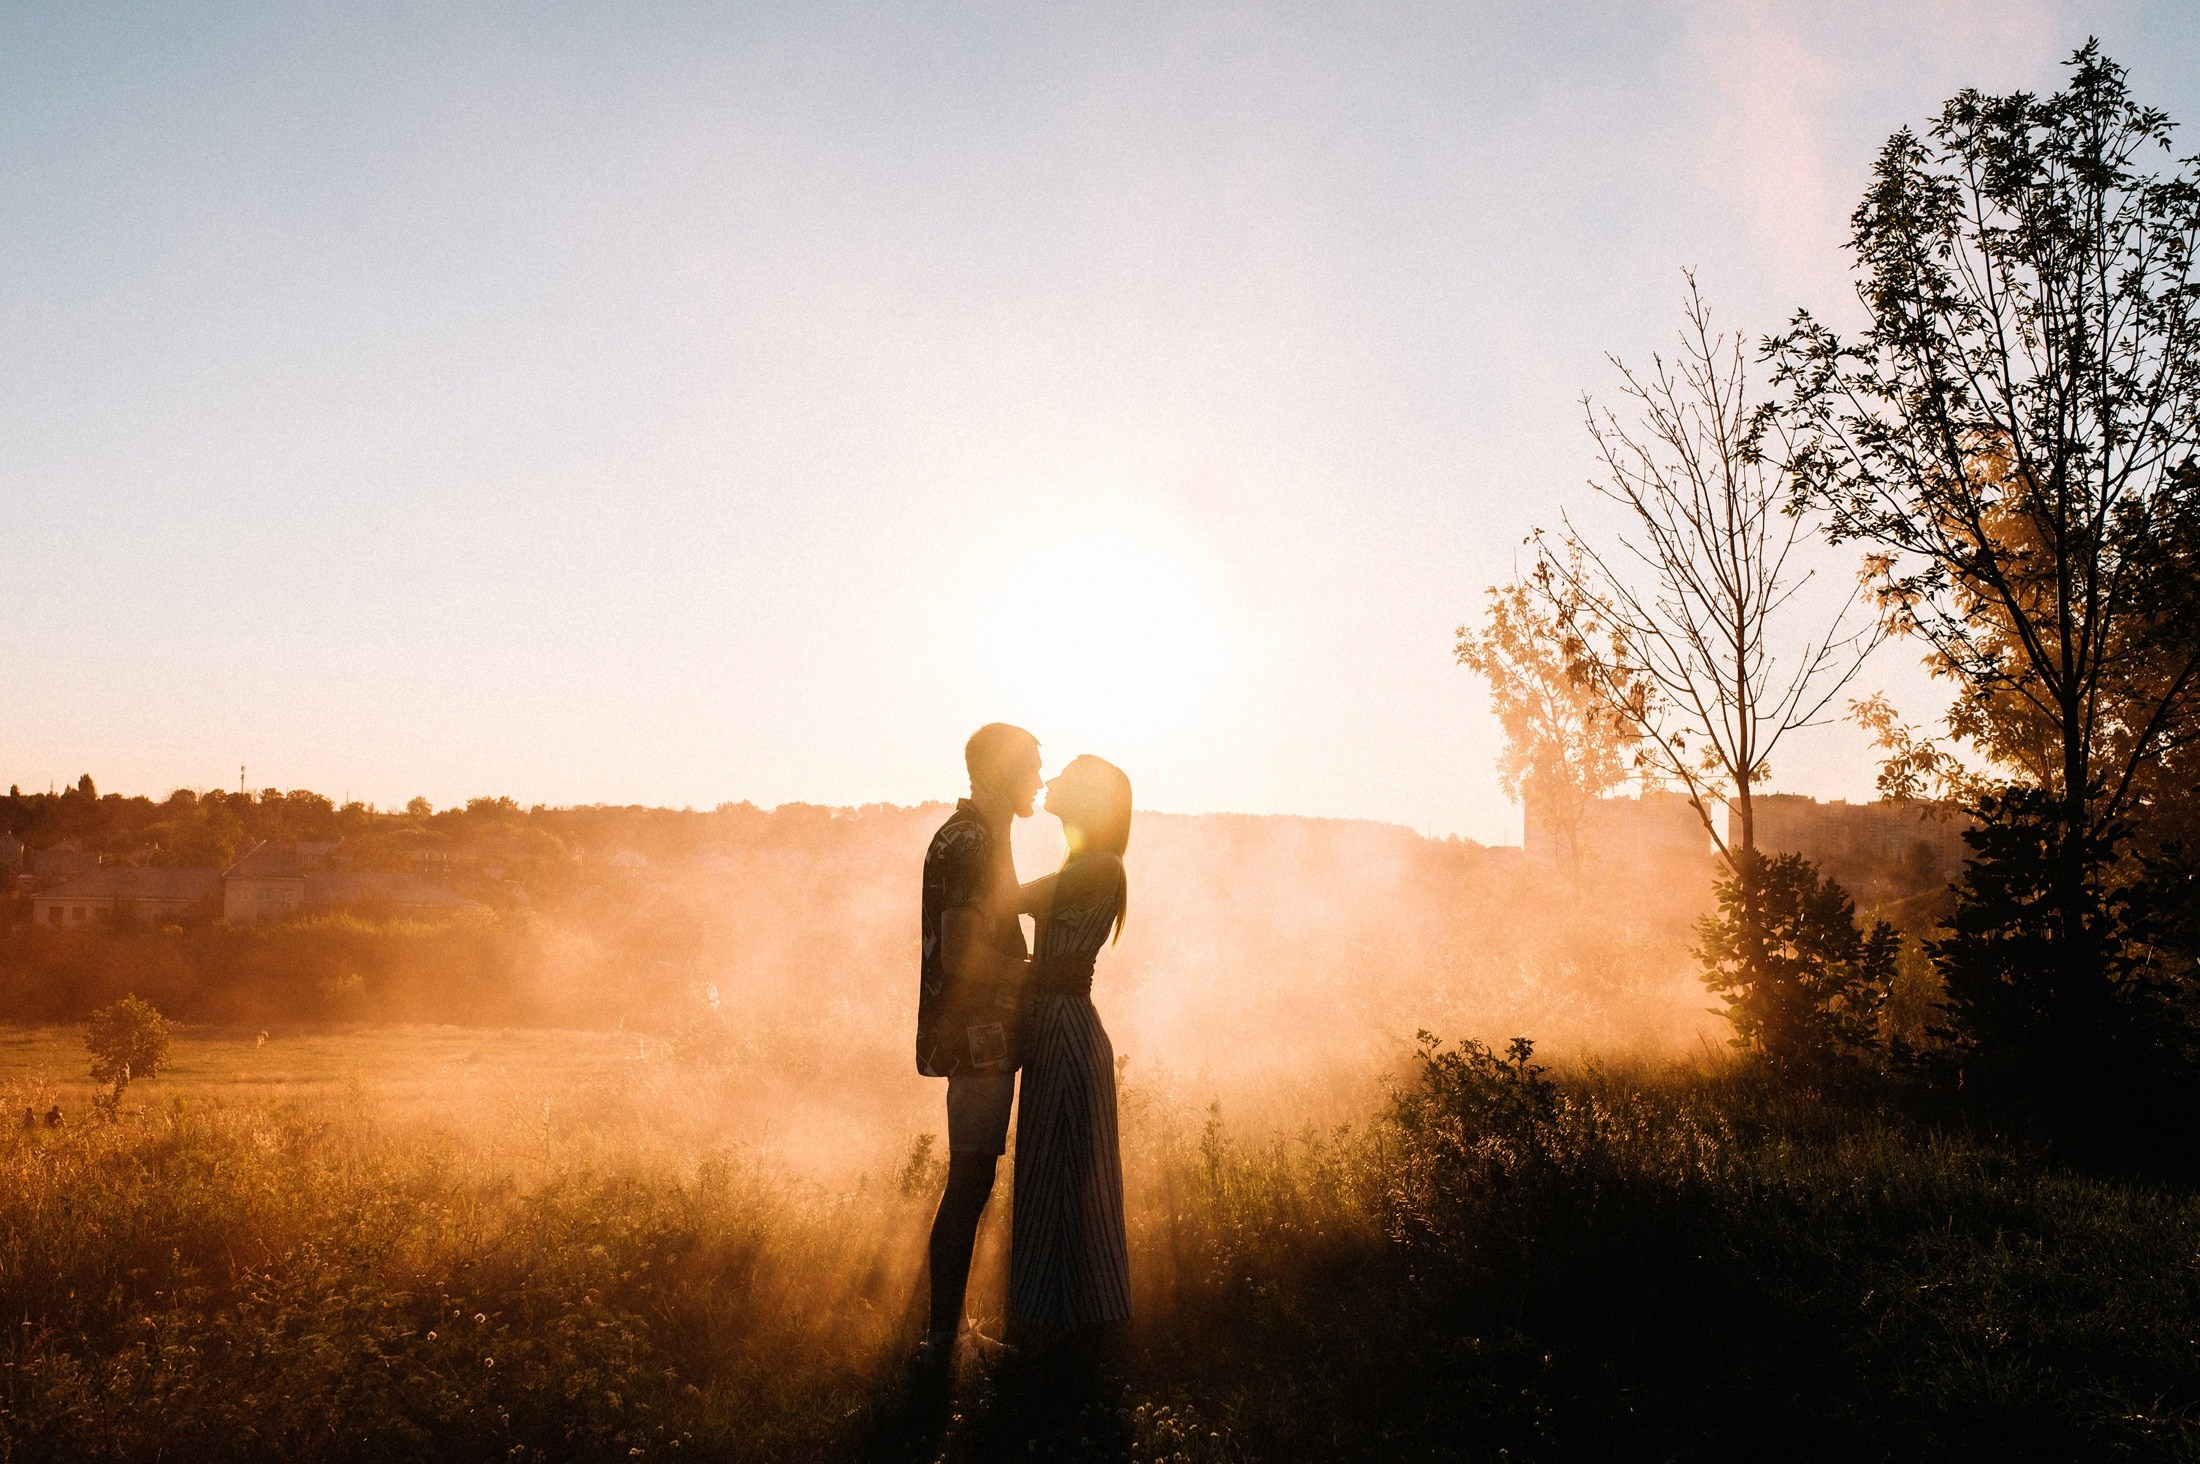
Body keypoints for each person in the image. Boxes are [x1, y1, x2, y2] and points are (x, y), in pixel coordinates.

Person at [916, 722, 1044, 1360]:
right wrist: (1037, 976)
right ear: (1001, 772)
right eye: (1032, 770)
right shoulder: (970, 841)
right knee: (968, 1181)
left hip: (984, 1037)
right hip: (976, 1038)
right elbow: (964, 952)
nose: (1041, 783)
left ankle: (949, 1334)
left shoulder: (985, 837)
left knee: (973, 1179)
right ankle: (945, 1340)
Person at [1009, 754, 1133, 1334]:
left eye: (1062, 777)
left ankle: (1067, 1323)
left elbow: (1007, 904)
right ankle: (1059, 1321)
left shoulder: (1098, 866)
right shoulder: (1087, 864)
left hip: (1065, 1030)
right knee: (1054, 1169)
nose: (1049, 782)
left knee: (1065, 1172)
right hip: (1056, 1025)